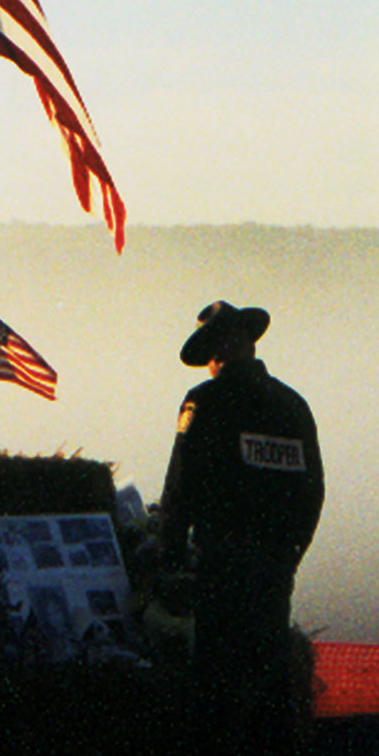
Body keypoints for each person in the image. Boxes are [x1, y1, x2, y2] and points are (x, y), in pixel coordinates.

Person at [158, 300, 324, 716]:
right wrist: (289, 555)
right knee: (268, 678)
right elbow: (312, 492)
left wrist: (170, 559)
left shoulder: (205, 402)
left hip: (220, 568)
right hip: (274, 569)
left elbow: (180, 488)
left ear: (213, 355)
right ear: (250, 345)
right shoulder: (293, 406)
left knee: (218, 684)